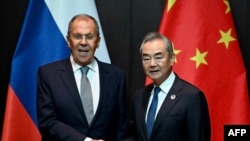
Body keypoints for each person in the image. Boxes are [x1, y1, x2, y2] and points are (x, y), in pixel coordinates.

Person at [37, 14, 128, 141]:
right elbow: (47, 122)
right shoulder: (48, 74)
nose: (83, 42)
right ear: (69, 41)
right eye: (77, 36)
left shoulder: (116, 76)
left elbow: (122, 127)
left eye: (89, 37)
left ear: (98, 41)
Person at [127, 32, 211, 141]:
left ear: (172, 59)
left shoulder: (192, 97)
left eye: (158, 57)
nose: (152, 64)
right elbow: (133, 136)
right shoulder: (139, 96)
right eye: (146, 58)